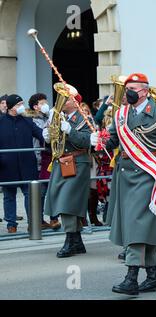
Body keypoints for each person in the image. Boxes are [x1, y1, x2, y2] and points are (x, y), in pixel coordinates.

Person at [92, 73, 156, 295]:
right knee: (135, 225)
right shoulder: (121, 114)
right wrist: (98, 140)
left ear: (145, 91)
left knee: (137, 225)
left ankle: (131, 277)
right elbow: (113, 141)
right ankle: (153, 277)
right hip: (125, 176)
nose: (129, 92)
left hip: (148, 176)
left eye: (134, 88)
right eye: (127, 88)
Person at [43, 92, 91, 257]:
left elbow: (87, 141)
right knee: (65, 201)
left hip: (77, 163)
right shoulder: (59, 117)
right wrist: (48, 137)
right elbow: (52, 144)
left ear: (74, 101)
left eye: (66, 98)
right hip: (61, 162)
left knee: (68, 202)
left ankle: (70, 240)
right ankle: (77, 241)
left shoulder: (84, 118)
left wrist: (71, 131)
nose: (61, 101)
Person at [0, 94, 44, 233]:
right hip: (7, 166)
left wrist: (49, 134)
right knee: (9, 195)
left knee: (29, 194)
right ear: (11, 107)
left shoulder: (27, 121)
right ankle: (11, 224)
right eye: (19, 105)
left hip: (27, 164)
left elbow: (41, 135)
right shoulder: (1, 122)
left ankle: (33, 223)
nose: (22, 107)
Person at [28, 93, 61, 230]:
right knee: (40, 192)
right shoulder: (32, 120)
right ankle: (38, 220)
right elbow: (41, 137)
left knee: (53, 190)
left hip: (51, 157)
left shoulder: (50, 117)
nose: (45, 105)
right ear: (35, 106)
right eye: (42, 103)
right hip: (39, 158)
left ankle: (54, 218)